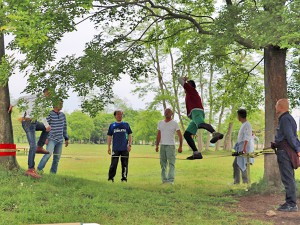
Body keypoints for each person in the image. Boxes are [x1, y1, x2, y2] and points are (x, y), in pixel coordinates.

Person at [8, 88, 51, 179]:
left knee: (46, 128)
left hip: (34, 122)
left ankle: (39, 146)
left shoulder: (43, 102)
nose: (50, 95)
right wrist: (12, 104)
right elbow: (21, 98)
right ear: (45, 92)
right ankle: (30, 169)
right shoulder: (35, 97)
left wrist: (46, 126)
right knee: (32, 146)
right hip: (28, 123)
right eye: (49, 93)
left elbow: (42, 114)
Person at [178, 77, 223, 160]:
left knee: (200, 124)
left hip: (196, 111)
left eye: (187, 84)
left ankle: (215, 133)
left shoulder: (191, 90)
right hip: (195, 114)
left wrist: (184, 80)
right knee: (187, 134)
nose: (186, 86)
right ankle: (196, 153)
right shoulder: (190, 93)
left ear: (190, 85)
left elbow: (179, 80)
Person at [272, 99, 300, 212]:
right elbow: (293, 136)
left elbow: (290, 136)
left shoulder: (285, 119)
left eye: (276, 105)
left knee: (288, 178)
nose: (275, 107)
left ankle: (292, 204)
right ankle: (289, 201)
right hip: (284, 150)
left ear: (280, 106)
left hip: (285, 151)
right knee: (288, 177)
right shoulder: (287, 118)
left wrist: (298, 149)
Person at [37, 101, 69, 174]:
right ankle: (39, 170)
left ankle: (53, 173)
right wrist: (46, 138)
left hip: (60, 140)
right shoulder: (50, 114)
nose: (61, 105)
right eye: (60, 104)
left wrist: (66, 138)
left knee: (57, 158)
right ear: (55, 104)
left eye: (62, 104)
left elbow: (64, 127)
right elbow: (46, 126)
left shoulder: (63, 115)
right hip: (51, 138)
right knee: (48, 154)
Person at [155, 108, 183, 184]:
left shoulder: (174, 123)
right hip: (162, 146)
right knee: (163, 163)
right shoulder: (160, 123)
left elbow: (180, 136)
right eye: (165, 112)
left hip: (171, 146)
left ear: (172, 114)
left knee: (171, 163)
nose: (167, 113)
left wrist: (180, 146)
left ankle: (171, 180)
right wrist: (157, 145)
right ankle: (164, 180)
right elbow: (158, 134)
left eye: (168, 112)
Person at [107, 110, 132, 182]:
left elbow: (130, 135)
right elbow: (109, 136)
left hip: (125, 148)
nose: (119, 116)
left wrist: (130, 145)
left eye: (121, 114)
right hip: (115, 148)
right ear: (115, 116)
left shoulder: (126, 125)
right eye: (118, 115)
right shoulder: (112, 125)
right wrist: (108, 147)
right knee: (113, 164)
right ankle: (111, 178)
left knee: (125, 164)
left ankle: (124, 178)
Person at [233, 109, 253, 184]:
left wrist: (244, 148)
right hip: (240, 146)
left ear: (240, 116)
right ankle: (237, 181)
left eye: (237, 115)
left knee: (242, 164)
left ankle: (245, 182)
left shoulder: (247, 124)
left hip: (244, 147)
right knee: (236, 164)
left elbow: (247, 137)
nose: (237, 117)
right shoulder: (243, 124)